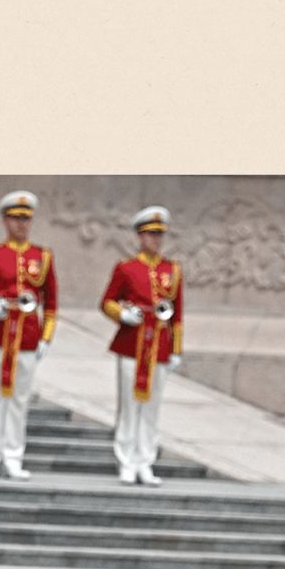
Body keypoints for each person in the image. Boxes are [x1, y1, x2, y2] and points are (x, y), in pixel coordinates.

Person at [0, 190, 57, 480]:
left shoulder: (41, 257)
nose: (21, 224)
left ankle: (13, 455)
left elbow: (51, 303)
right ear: (5, 221)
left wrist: (45, 337)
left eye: (26, 219)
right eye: (16, 218)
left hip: (27, 336)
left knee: (20, 399)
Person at [100, 205, 184, 486]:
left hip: (158, 343)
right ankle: (126, 460)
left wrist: (176, 349)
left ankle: (145, 461)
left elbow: (178, 314)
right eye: (150, 235)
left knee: (151, 407)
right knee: (129, 405)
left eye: (159, 235)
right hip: (131, 343)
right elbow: (107, 301)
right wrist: (122, 314)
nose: (155, 240)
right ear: (139, 236)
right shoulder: (126, 268)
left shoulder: (171, 270)